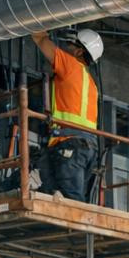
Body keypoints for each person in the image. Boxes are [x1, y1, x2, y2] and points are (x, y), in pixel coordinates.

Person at [33, 27, 103, 200]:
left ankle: (77, 227)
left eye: (70, 45)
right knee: (60, 196)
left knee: (72, 201)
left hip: (70, 144)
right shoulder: (92, 84)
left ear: (79, 51)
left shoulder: (70, 65)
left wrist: (39, 22)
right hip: (85, 148)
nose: (65, 48)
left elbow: (40, 39)